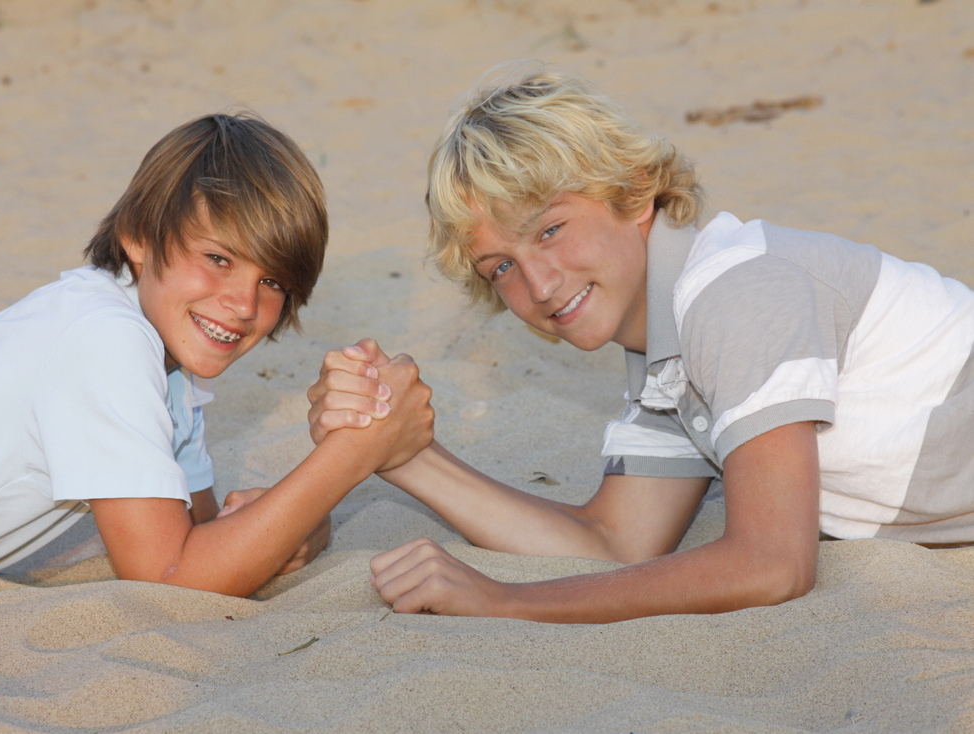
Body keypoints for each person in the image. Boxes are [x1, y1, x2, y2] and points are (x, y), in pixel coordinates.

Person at [306, 70, 974, 624]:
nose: (538, 284)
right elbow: (614, 544)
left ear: (632, 196)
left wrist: (505, 600)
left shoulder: (735, 292)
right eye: (500, 266)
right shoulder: (665, 350)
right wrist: (401, 452)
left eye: (549, 230)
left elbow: (774, 564)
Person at [0, 113, 433, 597]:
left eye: (272, 282)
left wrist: (300, 525)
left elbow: (199, 535)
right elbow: (170, 576)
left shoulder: (169, 367)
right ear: (138, 236)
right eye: (218, 259)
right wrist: (354, 453)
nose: (244, 304)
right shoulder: (103, 339)